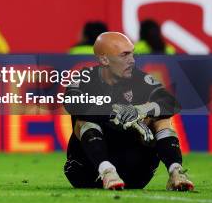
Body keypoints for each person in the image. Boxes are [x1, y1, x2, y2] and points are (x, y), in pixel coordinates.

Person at [63, 31, 194, 190]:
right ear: (104, 59)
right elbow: (72, 102)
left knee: (161, 118)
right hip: (87, 173)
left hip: (135, 173)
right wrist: (113, 113)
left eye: (132, 54)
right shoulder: (84, 78)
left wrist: (142, 110)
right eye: (124, 55)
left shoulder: (141, 79)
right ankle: (107, 171)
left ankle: (176, 172)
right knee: (83, 120)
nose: (132, 60)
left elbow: (172, 103)